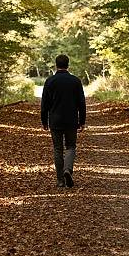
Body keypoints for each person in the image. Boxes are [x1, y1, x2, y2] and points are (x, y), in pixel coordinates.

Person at [41, 54, 86, 188]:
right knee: (71, 147)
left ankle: (60, 180)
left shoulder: (50, 81)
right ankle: (68, 169)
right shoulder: (75, 81)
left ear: (56, 65)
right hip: (71, 120)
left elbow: (45, 104)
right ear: (68, 65)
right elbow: (81, 103)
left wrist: (44, 121)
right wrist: (82, 121)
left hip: (55, 120)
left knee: (57, 148)